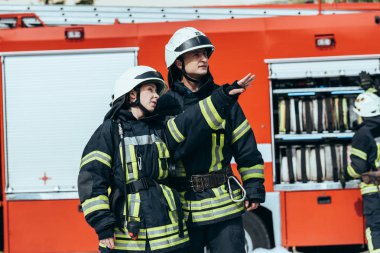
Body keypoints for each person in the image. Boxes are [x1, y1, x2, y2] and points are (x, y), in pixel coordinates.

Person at [77, 65, 251, 253]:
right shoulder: (110, 131)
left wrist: (223, 96)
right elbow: (92, 180)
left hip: (168, 237)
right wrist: (102, 224)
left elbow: (193, 120)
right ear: (132, 95)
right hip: (127, 238)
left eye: (156, 90)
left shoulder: (161, 129)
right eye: (150, 90)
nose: (156, 95)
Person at [161, 26, 265, 253]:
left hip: (224, 207)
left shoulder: (226, 99)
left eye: (206, 54)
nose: (204, 59)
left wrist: (254, 185)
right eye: (196, 54)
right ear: (179, 63)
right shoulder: (166, 105)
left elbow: (245, 145)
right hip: (184, 208)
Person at [347, 92, 380, 253]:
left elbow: (357, 168)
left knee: (375, 229)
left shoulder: (363, 134)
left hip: (374, 191)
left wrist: (345, 173)